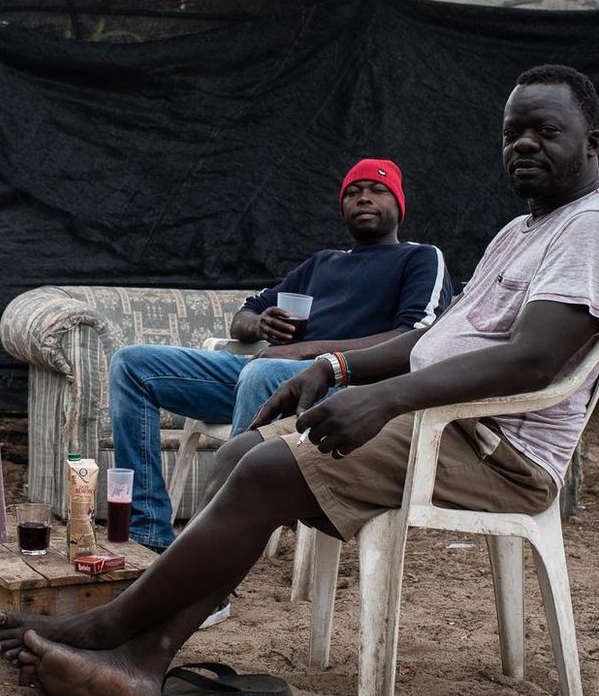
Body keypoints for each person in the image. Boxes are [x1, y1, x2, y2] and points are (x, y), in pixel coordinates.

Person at [0, 64, 599, 695]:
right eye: (512, 132)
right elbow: (437, 339)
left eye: (545, 131)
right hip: (446, 426)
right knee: (243, 454)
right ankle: (143, 657)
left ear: (592, 142)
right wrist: (334, 367)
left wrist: (382, 398)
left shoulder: (591, 229)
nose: (524, 144)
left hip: (496, 451)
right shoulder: (522, 231)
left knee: (265, 470)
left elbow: (533, 360)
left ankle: (108, 631)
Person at [109, 159, 451, 556]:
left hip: (340, 387)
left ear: (399, 205)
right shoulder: (323, 263)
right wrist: (260, 324)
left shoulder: (420, 257)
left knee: (266, 370)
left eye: (377, 190)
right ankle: (149, 532)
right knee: (132, 364)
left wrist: (306, 351)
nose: (363, 198)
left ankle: (208, 551)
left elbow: (417, 336)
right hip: (264, 376)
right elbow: (245, 313)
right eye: (353, 192)